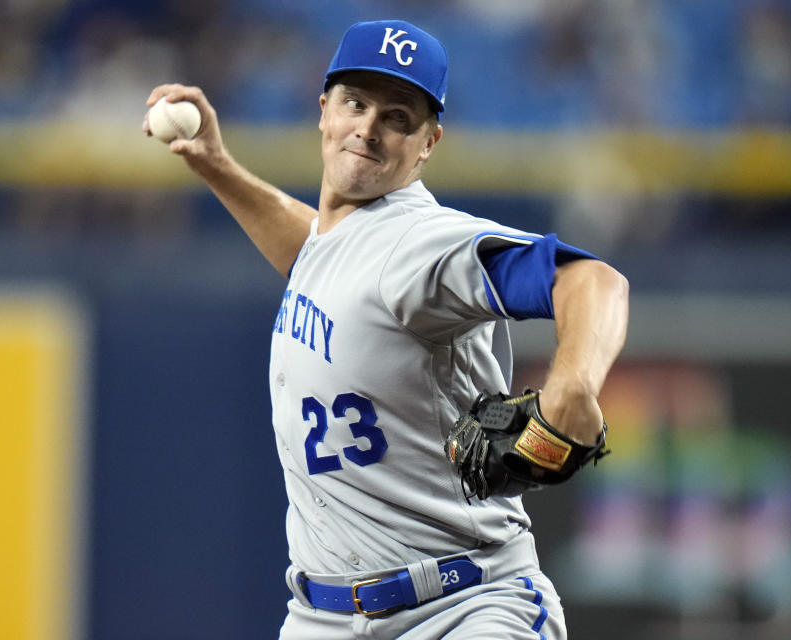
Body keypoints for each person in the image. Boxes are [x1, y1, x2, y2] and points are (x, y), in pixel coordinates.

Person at [144, 19, 628, 640]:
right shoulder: (343, 240)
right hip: (320, 617)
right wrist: (216, 166)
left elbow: (593, 281)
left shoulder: (422, 243)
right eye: (355, 103)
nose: (368, 129)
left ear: (429, 143)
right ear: (323, 111)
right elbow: (315, 248)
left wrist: (573, 381)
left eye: (397, 117)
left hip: (464, 608)